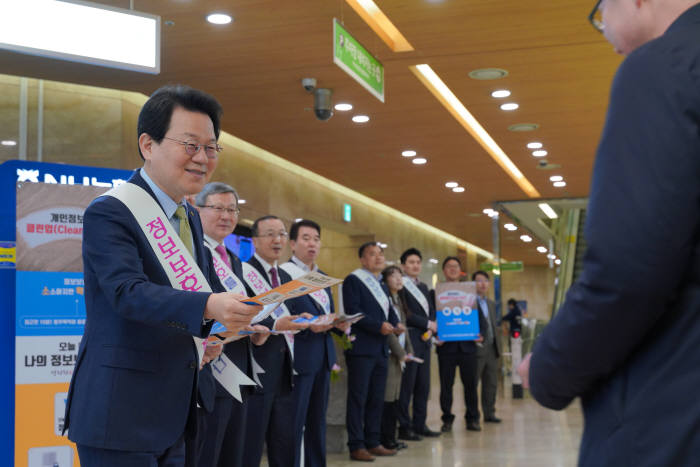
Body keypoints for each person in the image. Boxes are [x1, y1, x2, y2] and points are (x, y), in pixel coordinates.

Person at [520, 2, 700, 466]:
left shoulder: (665, 68)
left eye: (601, 12)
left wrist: (547, 369)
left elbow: (627, 273)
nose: (605, 33)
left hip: (672, 415)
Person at [63, 85, 262, 467]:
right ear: (148, 145)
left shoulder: (189, 216)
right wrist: (208, 305)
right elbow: (127, 292)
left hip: (179, 411)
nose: (203, 158)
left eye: (211, 147)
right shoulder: (111, 211)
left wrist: (214, 329)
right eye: (190, 145)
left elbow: (195, 295)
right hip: (121, 412)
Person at [193, 182, 269, 467]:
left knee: (233, 454)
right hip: (210, 370)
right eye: (217, 208)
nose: (226, 216)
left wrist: (254, 330)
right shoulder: (192, 253)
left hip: (239, 367)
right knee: (207, 454)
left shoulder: (235, 260)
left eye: (232, 210)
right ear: (196, 211)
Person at [241, 215, 310, 467]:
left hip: (284, 368)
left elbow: (285, 317)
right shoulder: (242, 272)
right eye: (270, 234)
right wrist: (275, 325)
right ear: (255, 240)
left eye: (281, 234)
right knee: (252, 442)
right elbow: (241, 318)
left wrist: (302, 320)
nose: (277, 240)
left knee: (284, 440)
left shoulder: (283, 276)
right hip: (256, 368)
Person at [281, 219, 350, 467]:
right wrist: (306, 323)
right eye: (306, 238)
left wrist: (338, 324)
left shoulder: (321, 277)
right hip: (299, 356)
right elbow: (282, 314)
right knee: (294, 421)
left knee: (318, 420)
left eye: (316, 239)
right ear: (292, 243)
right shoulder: (284, 274)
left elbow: (327, 313)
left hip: (322, 356)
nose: (312, 244)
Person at [343, 242, 400, 462]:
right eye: (372, 254)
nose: (378, 258)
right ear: (362, 259)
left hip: (381, 349)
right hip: (362, 349)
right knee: (359, 398)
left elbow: (389, 311)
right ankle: (356, 445)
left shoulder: (382, 284)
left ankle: (373, 441)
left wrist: (396, 324)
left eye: (381, 254)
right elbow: (353, 312)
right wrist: (378, 326)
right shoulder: (353, 280)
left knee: (377, 398)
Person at [434, 257, 482, 432]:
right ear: (444, 271)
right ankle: (447, 419)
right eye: (448, 267)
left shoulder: (470, 291)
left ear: (460, 270)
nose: (452, 269)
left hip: (468, 347)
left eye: (455, 266)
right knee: (446, 386)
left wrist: (480, 335)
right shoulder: (437, 292)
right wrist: (435, 336)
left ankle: (473, 418)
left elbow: (479, 318)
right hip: (446, 347)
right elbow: (433, 318)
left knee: (470, 385)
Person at [397, 248, 440, 440]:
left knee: (423, 385)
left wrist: (432, 326)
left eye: (417, 262)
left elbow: (431, 311)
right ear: (403, 266)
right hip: (411, 340)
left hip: (425, 340)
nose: (415, 265)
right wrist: (427, 324)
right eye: (411, 262)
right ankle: (405, 427)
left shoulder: (423, 287)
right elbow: (407, 314)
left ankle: (420, 424)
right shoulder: (401, 286)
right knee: (408, 385)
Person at [380, 265, 412, 451]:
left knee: (396, 397)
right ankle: (386, 438)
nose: (399, 279)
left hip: (400, 355)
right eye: (394, 275)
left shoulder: (399, 300)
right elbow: (389, 331)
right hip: (390, 354)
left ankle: (392, 436)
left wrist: (409, 350)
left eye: (401, 275)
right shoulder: (385, 299)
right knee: (388, 397)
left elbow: (403, 328)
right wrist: (400, 352)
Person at [473, 270, 502, 424]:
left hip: (492, 347)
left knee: (491, 383)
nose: (483, 284)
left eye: (485, 281)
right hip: (477, 348)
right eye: (479, 281)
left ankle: (489, 413)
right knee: (474, 383)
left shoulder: (491, 303)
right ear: (473, 284)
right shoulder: (469, 302)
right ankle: (474, 416)